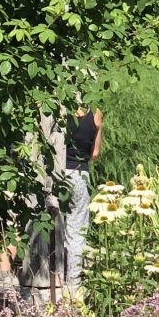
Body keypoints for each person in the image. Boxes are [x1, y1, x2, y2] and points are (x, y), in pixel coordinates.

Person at [62, 101, 102, 288]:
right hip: (80, 174)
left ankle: (49, 278)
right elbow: (95, 153)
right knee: (76, 230)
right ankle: (73, 283)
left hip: (57, 174)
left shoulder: (57, 110)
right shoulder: (95, 114)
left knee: (50, 228)